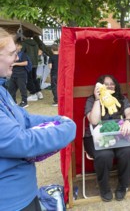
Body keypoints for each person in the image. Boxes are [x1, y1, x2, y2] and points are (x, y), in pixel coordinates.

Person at [0, 28, 76, 210]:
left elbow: (24, 118)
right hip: (10, 202)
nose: (16, 59)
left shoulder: (2, 90)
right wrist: (67, 128)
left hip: (24, 193)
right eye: (11, 54)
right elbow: (21, 141)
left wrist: (59, 119)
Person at [83, 74, 130, 202]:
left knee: (128, 152)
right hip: (97, 138)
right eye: (106, 84)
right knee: (105, 155)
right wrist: (97, 99)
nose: (110, 86)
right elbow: (94, 120)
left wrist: (128, 121)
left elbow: (129, 113)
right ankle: (104, 188)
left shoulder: (121, 99)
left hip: (119, 135)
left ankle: (123, 186)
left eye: (112, 84)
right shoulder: (91, 100)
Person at [22, 30, 43, 101]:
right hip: (35, 62)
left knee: (28, 79)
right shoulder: (36, 43)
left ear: (24, 35)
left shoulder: (24, 43)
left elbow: (22, 53)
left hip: (28, 63)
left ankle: (33, 94)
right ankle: (39, 92)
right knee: (34, 78)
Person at [8, 40, 29, 108]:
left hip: (21, 74)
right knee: (11, 88)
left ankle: (24, 102)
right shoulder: (12, 54)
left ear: (20, 46)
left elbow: (26, 63)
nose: (15, 47)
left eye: (17, 45)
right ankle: (13, 102)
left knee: (22, 88)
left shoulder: (23, 54)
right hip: (13, 74)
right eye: (14, 45)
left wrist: (15, 63)